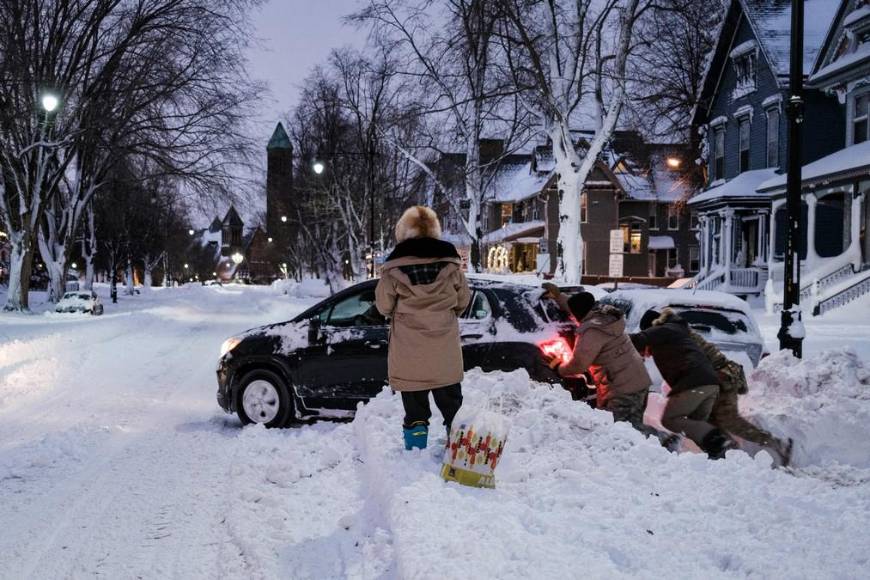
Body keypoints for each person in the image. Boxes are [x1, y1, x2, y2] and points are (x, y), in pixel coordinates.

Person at [375, 206, 471, 450]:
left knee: (415, 410)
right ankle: (460, 452)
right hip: (444, 350)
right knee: (452, 408)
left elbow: (384, 306)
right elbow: (463, 301)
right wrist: (444, 316)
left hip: (409, 352)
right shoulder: (451, 264)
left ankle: (416, 454)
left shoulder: (393, 268)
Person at [542, 284, 656, 436]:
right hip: (636, 381)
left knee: (624, 432)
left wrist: (558, 368)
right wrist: (558, 296)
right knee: (631, 428)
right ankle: (655, 452)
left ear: (580, 314)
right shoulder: (602, 316)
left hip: (622, 389)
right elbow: (576, 306)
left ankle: (666, 442)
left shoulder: (593, 331)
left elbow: (579, 364)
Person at [681, 317, 793, 465]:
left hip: (721, 380)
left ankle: (774, 444)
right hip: (718, 380)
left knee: (729, 421)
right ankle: (729, 457)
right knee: (712, 422)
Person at [631, 308, 735, 459]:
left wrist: (615, 339)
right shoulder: (676, 332)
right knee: (696, 427)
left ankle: (719, 439)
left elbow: (637, 339)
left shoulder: (663, 330)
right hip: (709, 384)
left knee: (670, 419)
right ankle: (719, 459)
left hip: (694, 383)